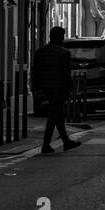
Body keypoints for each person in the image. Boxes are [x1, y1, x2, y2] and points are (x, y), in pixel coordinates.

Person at [30, 25, 81, 155]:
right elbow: (66, 73)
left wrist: (35, 87)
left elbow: (34, 71)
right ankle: (46, 144)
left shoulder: (40, 52)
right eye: (62, 36)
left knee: (57, 114)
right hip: (58, 88)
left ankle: (65, 141)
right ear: (59, 38)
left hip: (44, 87)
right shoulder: (64, 53)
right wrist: (69, 89)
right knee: (54, 115)